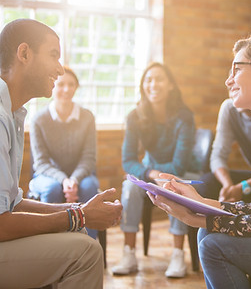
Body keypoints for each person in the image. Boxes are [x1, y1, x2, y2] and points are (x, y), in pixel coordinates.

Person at [148, 33, 251, 289]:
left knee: (212, 244)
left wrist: (194, 217)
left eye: (237, 69)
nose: (228, 80)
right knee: (207, 234)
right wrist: (198, 202)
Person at [0, 18, 122, 288]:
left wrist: (78, 209)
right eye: (54, 55)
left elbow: (13, 204)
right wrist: (80, 216)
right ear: (24, 54)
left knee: (79, 236)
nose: (59, 70)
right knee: (87, 252)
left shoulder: (14, 113)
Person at [112, 62, 201, 278]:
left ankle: (178, 254)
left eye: (159, 79)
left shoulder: (184, 117)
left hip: (184, 174)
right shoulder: (135, 116)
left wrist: (155, 175)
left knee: (173, 185)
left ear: (170, 85)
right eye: (148, 80)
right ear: (143, 86)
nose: (153, 84)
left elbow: (178, 166)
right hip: (150, 173)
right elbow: (128, 161)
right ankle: (129, 253)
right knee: (129, 186)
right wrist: (151, 174)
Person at [29, 66, 99, 239]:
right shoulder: (38, 119)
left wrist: (74, 179)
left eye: (71, 84)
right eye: (61, 85)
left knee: (89, 187)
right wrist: (64, 180)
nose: (66, 89)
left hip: (80, 175)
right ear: (53, 85)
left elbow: (89, 158)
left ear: (76, 87)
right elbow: (41, 163)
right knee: (52, 189)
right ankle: (52, 246)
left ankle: (88, 246)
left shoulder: (87, 117)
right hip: (47, 176)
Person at [197, 96, 251, 203]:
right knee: (207, 182)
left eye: (237, 84)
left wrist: (243, 187)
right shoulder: (229, 108)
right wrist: (227, 185)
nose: (230, 84)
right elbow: (217, 156)